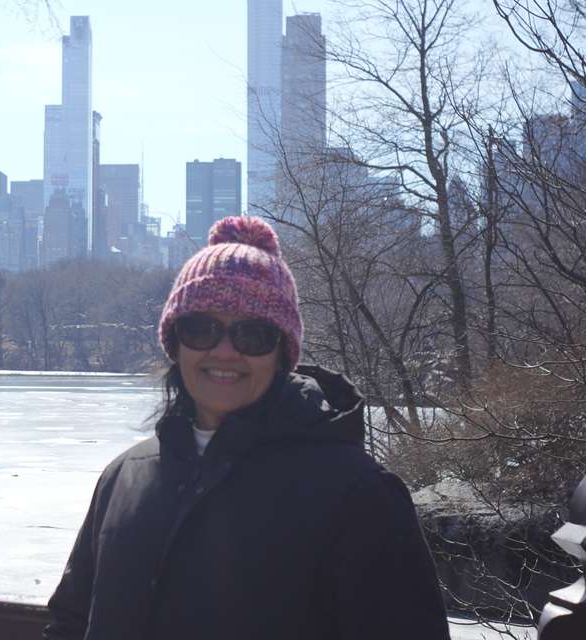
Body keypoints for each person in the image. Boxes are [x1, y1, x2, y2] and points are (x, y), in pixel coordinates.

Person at [44, 216, 450, 640]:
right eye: (201, 328)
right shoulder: (124, 478)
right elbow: (70, 622)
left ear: (282, 353)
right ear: (175, 342)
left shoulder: (360, 495)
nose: (224, 352)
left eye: (252, 334)